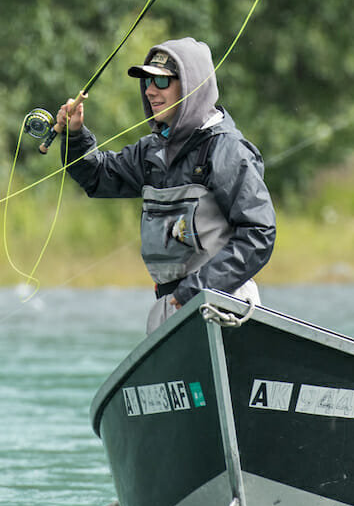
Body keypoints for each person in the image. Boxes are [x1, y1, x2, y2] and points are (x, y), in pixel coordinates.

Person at [56, 38, 276, 333]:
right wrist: (75, 133)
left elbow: (258, 233)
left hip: (226, 304)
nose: (150, 90)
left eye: (162, 80)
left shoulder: (227, 149)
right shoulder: (150, 153)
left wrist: (196, 290)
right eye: (148, 80)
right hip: (169, 307)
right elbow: (96, 176)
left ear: (191, 85)